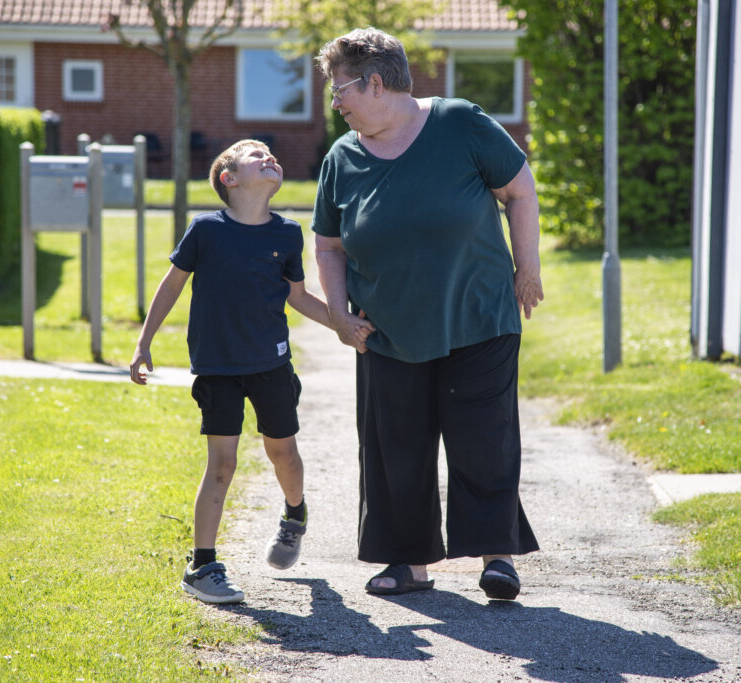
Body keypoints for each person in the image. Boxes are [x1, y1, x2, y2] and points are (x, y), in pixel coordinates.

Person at [312, 27, 544, 600]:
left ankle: (498, 557)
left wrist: (528, 268)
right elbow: (328, 245)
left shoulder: (459, 123)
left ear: (375, 82)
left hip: (479, 317)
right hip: (386, 330)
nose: (334, 101)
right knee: (396, 446)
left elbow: (519, 190)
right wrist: (340, 316)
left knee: (483, 441)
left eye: (339, 89)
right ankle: (407, 563)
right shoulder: (342, 157)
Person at [129, 140, 369, 604]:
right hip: (217, 367)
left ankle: (294, 514)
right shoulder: (206, 231)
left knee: (284, 455)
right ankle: (202, 566)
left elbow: (297, 297)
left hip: (271, 364)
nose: (269, 157)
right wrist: (143, 342)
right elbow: (172, 284)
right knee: (221, 465)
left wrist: (342, 323)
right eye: (255, 154)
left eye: (271, 154)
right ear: (229, 178)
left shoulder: (287, 233)